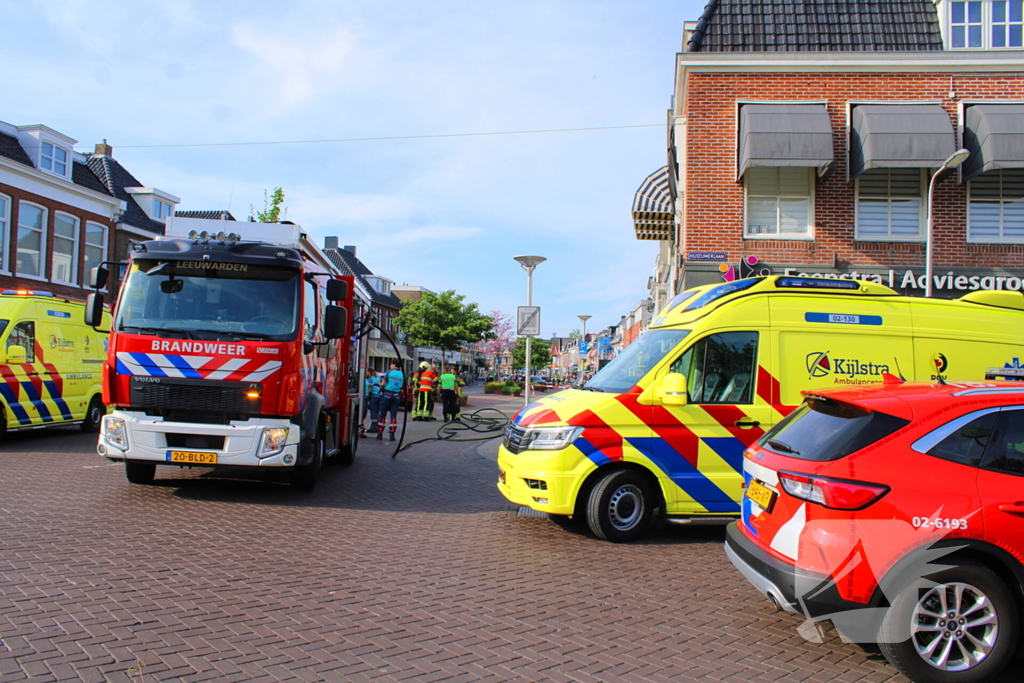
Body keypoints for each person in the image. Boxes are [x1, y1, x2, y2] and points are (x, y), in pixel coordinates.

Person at [376, 361, 404, 441]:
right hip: (396, 395)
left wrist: (381, 387)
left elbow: (383, 383)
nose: (390, 366)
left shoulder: (389, 372)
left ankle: (380, 432)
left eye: (391, 364)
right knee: (393, 415)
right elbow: (403, 385)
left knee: (382, 414)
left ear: (395, 366)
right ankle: (392, 433)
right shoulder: (402, 374)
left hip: (387, 394)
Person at [361, 369, 382, 437]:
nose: (365, 372)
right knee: (377, 412)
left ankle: (373, 427)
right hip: (380, 395)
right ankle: (377, 426)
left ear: (369, 372)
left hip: (374, 395)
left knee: (373, 411)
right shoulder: (378, 377)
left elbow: (368, 387)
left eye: (366, 371)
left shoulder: (370, 379)